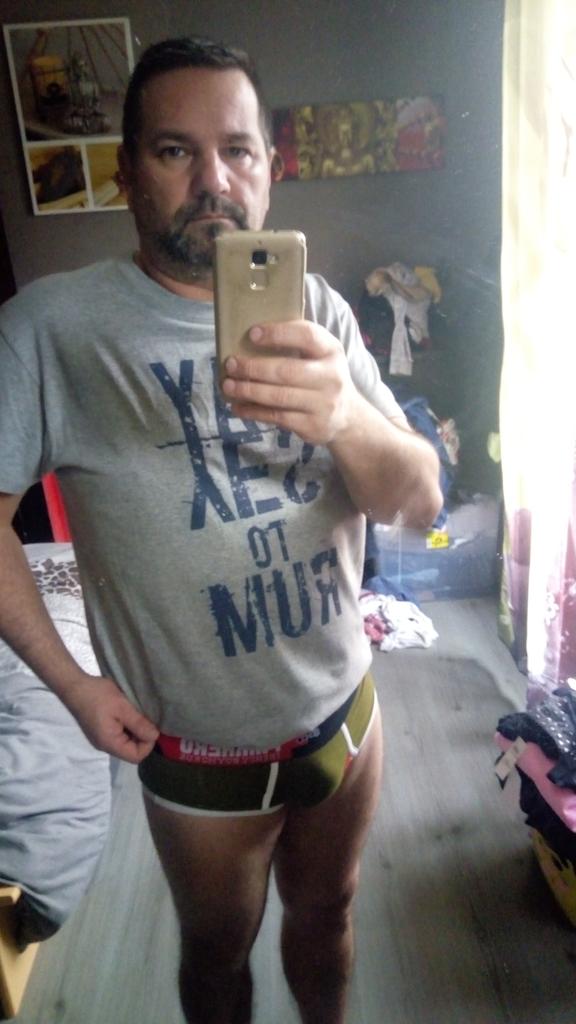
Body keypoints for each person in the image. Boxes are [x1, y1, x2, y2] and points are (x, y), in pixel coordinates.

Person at [0, 37, 442, 1024]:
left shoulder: (319, 309)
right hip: (200, 762)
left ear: (268, 170)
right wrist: (72, 685)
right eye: (175, 151)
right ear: (127, 173)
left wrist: (345, 415)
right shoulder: (50, 331)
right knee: (215, 959)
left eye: (237, 151)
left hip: (346, 719)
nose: (214, 180)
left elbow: (419, 500)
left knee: (331, 914)